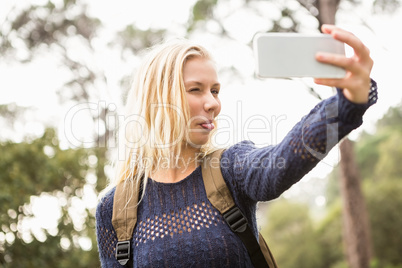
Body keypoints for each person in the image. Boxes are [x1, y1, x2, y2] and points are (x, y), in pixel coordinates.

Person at [95, 24, 377, 267]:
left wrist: (348, 103)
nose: (213, 103)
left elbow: (281, 162)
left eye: (215, 91)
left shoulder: (229, 168)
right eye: (196, 89)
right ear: (158, 98)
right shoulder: (116, 209)